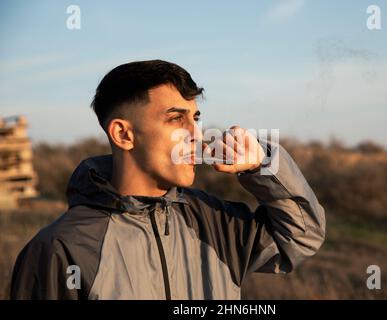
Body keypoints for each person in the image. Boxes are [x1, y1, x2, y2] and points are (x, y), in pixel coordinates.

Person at [10, 60, 326, 300]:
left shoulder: (213, 221)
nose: (196, 135)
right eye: (176, 119)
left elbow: (301, 236)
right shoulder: (60, 249)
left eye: (196, 119)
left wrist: (263, 165)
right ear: (123, 134)